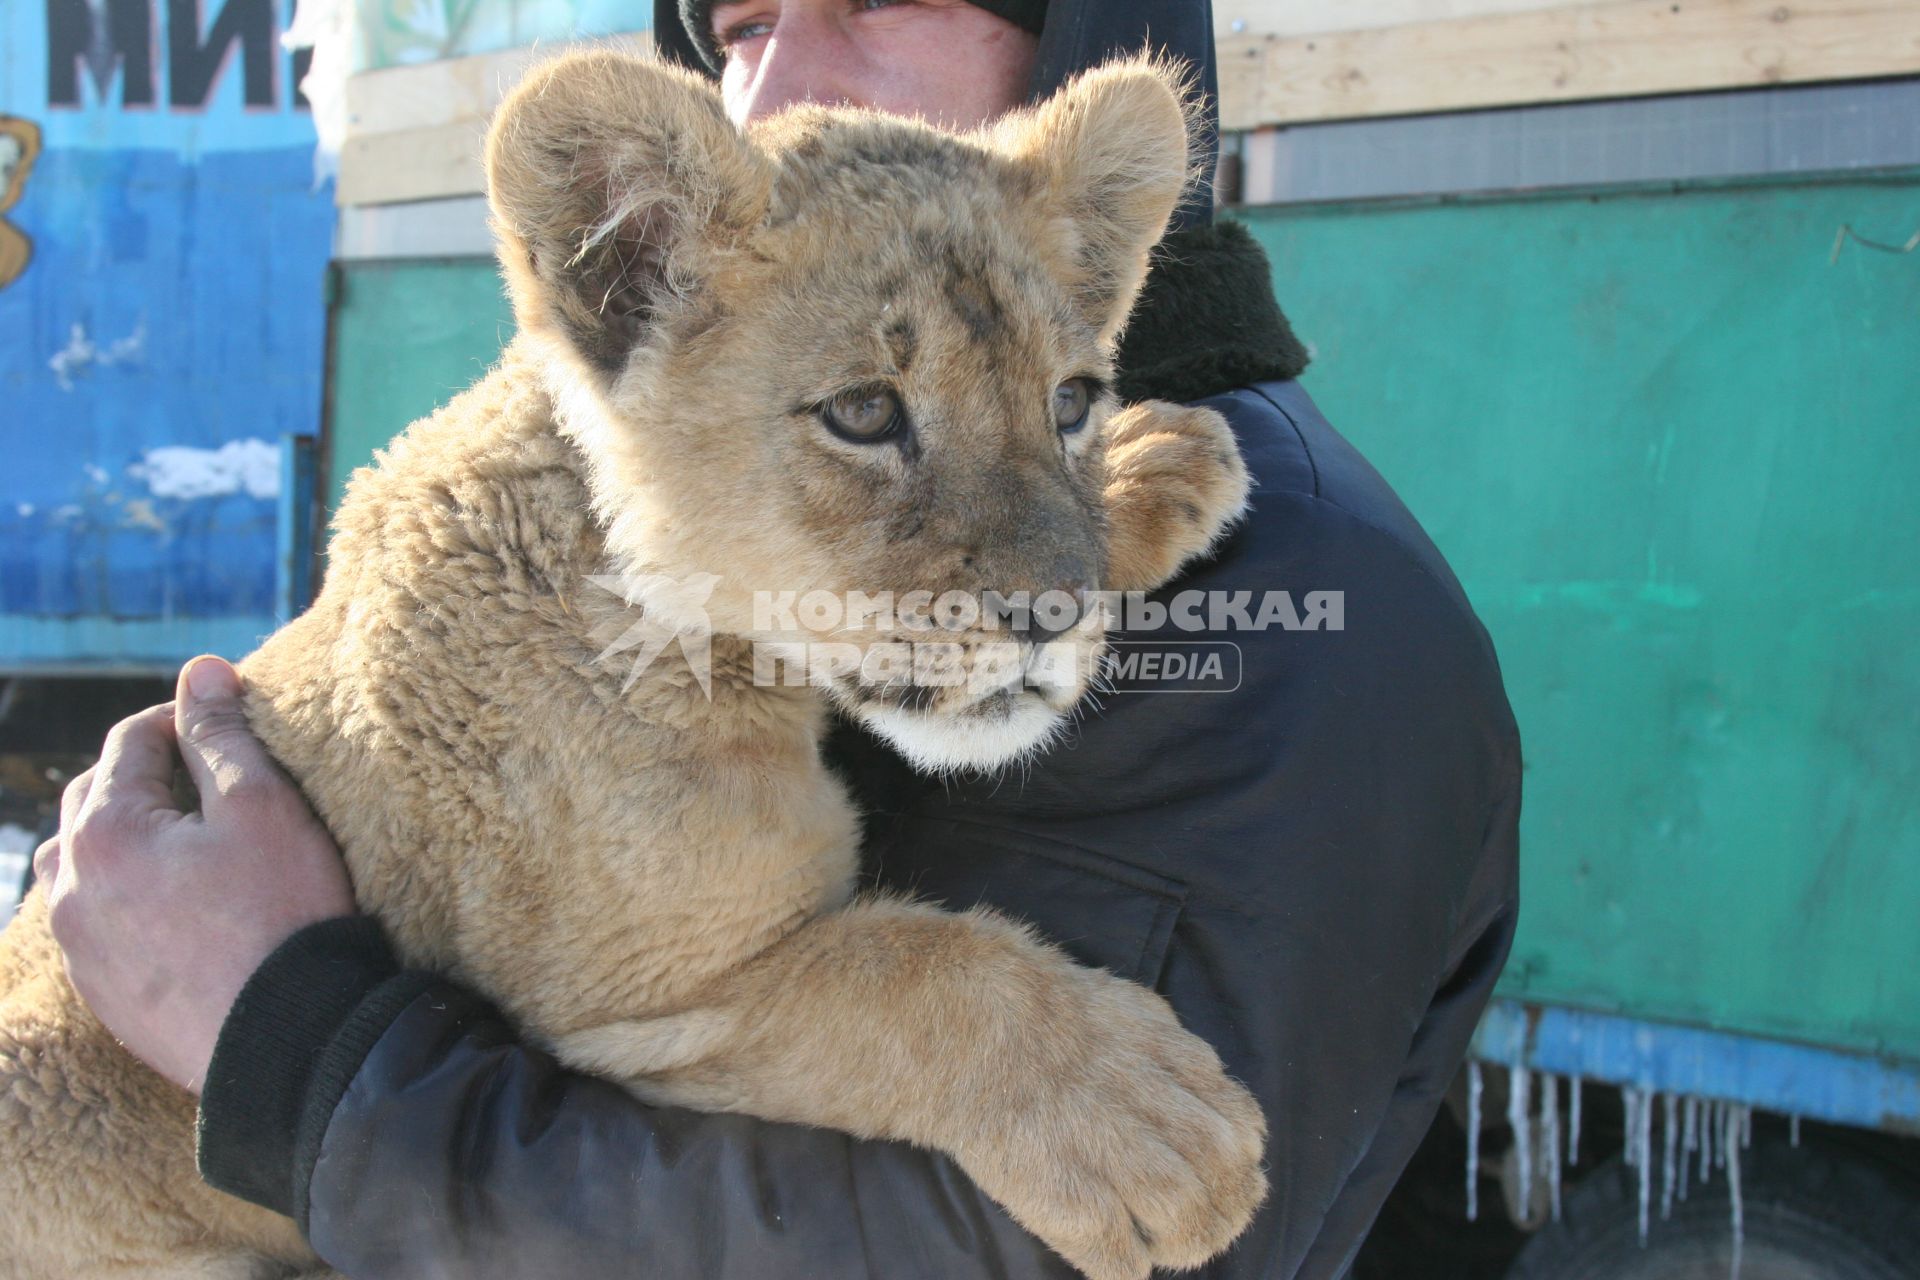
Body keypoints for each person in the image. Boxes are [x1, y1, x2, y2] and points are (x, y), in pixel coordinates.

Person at [36, 1, 1522, 1276]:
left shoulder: (1302, 629)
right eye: (739, 25)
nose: (777, 86)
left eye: (879, 2)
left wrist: (295, 1047)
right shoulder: (671, 456)